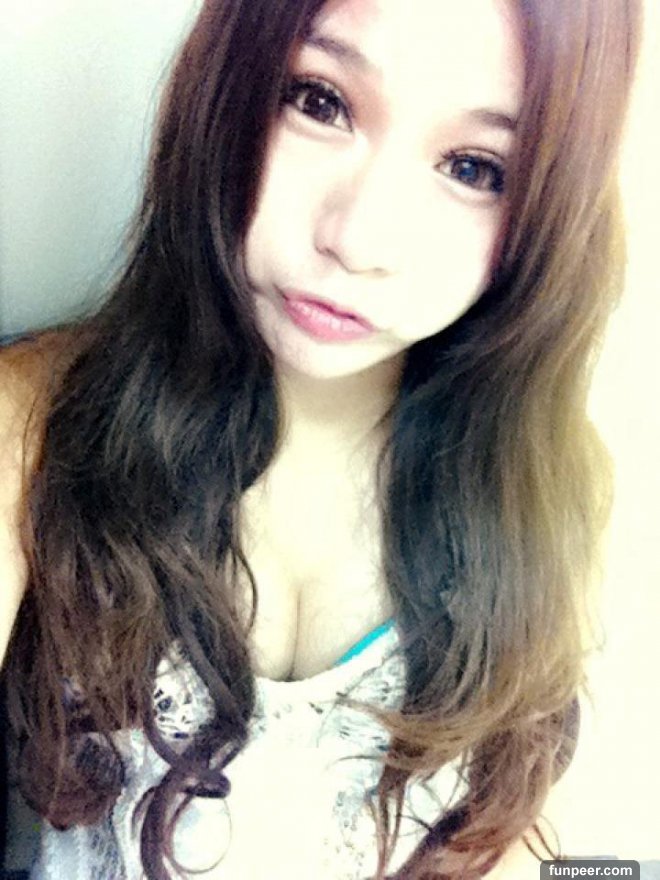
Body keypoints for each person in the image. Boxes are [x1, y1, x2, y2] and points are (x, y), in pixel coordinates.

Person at [0, 0, 642, 877]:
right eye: (319, 100)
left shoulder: (560, 494)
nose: (358, 239)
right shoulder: (36, 426)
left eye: (474, 167)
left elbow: (517, 833)